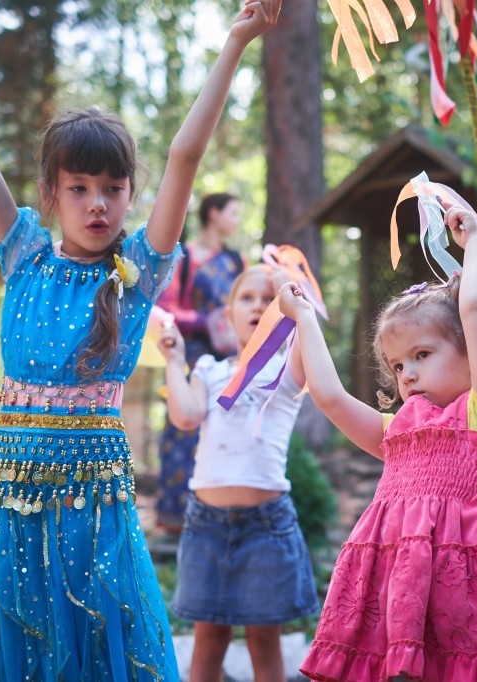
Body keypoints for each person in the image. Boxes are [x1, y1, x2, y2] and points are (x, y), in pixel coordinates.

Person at [0, 0, 281, 678]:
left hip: (93, 506)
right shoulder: (23, 255)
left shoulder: (137, 275)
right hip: (11, 499)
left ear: (130, 195)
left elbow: (185, 155)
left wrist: (236, 43)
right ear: (51, 193)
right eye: (78, 188)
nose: (97, 202)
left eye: (112, 187)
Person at [281, 205, 477, 681]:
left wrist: (476, 244)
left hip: (458, 587)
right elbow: (329, 396)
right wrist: (304, 318)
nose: (407, 374)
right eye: (398, 365)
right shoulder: (398, 431)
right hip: (391, 582)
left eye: (422, 354)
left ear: (470, 352)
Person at [158, 264, 319, 682]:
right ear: (228, 315)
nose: (259, 307)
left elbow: (309, 344)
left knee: (264, 641)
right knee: (208, 640)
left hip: (266, 526)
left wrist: (290, 294)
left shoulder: (289, 370)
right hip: (205, 526)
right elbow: (186, 416)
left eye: (268, 300)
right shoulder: (209, 370)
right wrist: (174, 360)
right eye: (247, 298)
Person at [155, 192, 245, 534]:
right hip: (192, 357)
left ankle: (223, 514)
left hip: (232, 360)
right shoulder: (186, 257)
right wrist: (206, 321)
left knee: (228, 430)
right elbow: (168, 308)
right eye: (233, 213)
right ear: (213, 214)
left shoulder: (237, 261)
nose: (237, 221)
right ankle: (176, 518)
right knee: (183, 429)